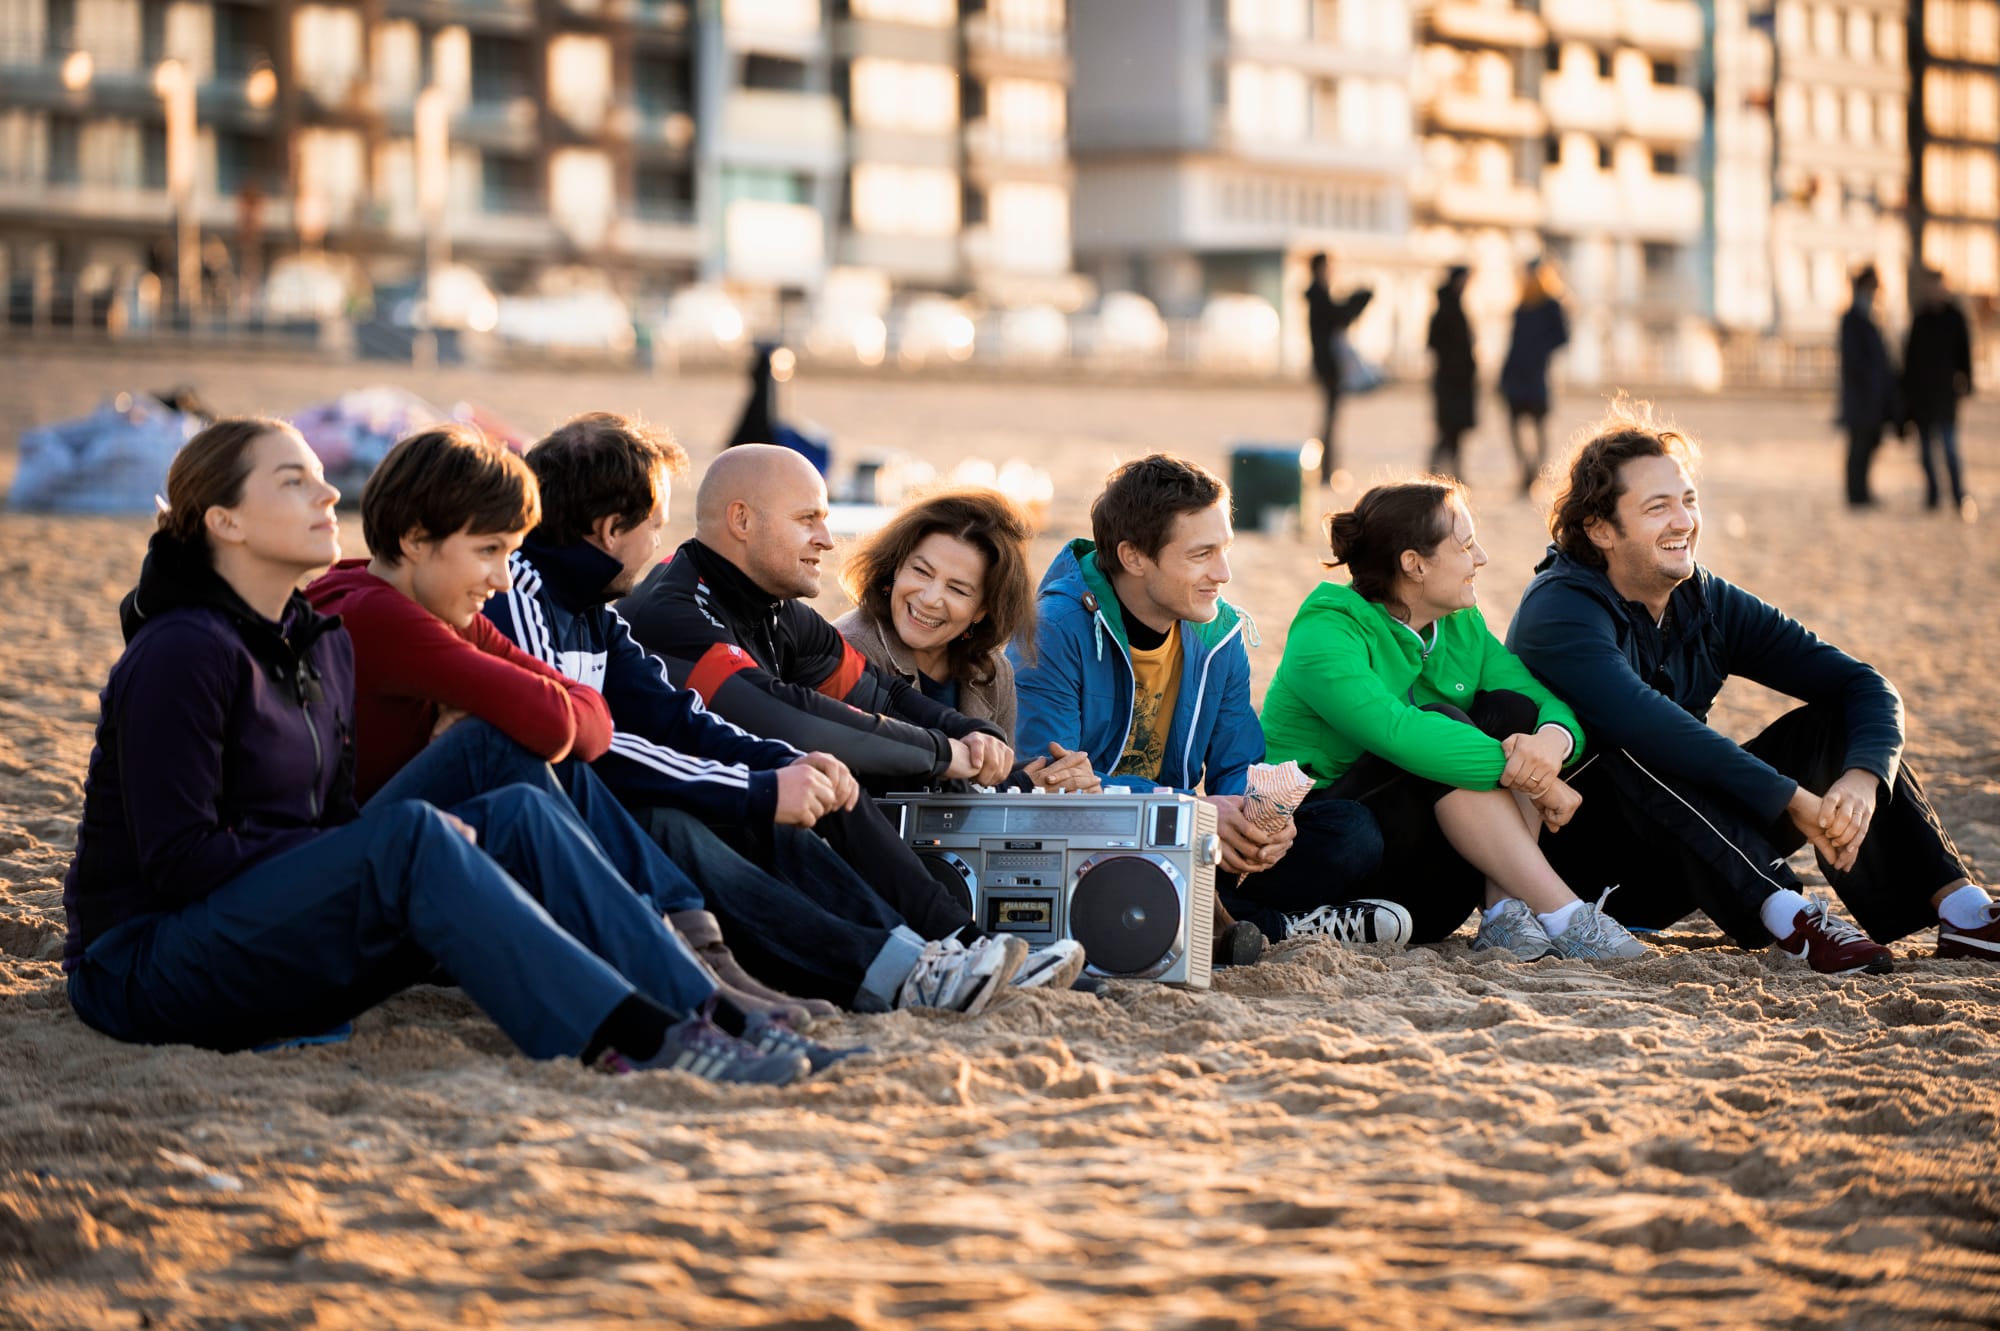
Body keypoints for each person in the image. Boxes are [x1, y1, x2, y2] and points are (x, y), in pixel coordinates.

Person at [61, 418, 809, 1084]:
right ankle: (635, 1039)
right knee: (420, 830)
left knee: (515, 810)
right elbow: (179, 861)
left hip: (265, 930)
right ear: (224, 521)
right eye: (294, 481)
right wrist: (379, 846)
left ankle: (708, 1013)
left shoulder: (314, 641)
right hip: (147, 970)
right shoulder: (183, 651)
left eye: (321, 477)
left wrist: (369, 848)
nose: (329, 494)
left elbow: (330, 814)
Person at [309, 425, 1005, 1028]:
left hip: (482, 832)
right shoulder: (532, 599)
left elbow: (668, 718)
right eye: (654, 525)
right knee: (676, 817)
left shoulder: (601, 610)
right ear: (613, 530)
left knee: (786, 784)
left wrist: (780, 768)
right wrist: (764, 784)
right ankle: (772, 972)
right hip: (431, 863)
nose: (498, 570)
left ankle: (924, 955)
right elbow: (571, 738)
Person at [522, 420, 1083, 994]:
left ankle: (956, 947)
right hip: (630, 818)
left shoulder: (773, 610)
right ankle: (914, 967)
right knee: (778, 784)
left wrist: (974, 736)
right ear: (742, 521)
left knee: (817, 776)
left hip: (692, 792)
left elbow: (881, 696)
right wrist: (945, 753)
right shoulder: (674, 612)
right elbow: (782, 714)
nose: (827, 539)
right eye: (807, 519)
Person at [1507, 404, 1997, 972]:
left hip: (1690, 850)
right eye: (1657, 507)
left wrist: (1864, 779)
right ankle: (1790, 916)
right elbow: (1650, 725)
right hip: (1584, 873)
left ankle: (1963, 913)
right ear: (1599, 529)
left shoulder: (1703, 600)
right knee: (1633, 741)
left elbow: (1864, 684)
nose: (1683, 521)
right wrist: (1794, 800)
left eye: (1688, 500)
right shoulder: (1559, 610)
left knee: (1835, 724)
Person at [1010, 453, 1391, 949]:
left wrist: (1259, 822)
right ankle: (1270, 926)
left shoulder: (1219, 633)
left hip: (1187, 839)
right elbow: (1049, 786)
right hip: (1093, 841)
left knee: (1351, 833)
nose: (1223, 573)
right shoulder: (1053, 630)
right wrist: (1191, 812)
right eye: (1201, 554)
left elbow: (1239, 763)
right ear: (1133, 557)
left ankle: (1219, 918)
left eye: (1224, 549)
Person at [1257, 480, 1646, 960]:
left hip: (1431, 899)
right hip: (1329, 857)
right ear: (1414, 563)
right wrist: (1540, 783)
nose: (1480, 557)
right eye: (1465, 546)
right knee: (1436, 725)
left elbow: (1539, 701)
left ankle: (1504, 912)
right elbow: (1399, 734)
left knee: (1515, 714)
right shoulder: (1327, 630)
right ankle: (1567, 916)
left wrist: (1553, 742)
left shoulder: (1461, 624)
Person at [833, 487, 1098, 792]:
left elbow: (994, 784)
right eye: (921, 571)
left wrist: (1058, 780)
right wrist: (1023, 787)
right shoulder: (850, 647)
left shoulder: (995, 673)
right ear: (895, 568)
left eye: (957, 589)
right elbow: (876, 789)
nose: (930, 598)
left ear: (983, 610)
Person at [1902, 266, 1975, 519]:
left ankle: (1957, 494)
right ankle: (1933, 494)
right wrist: (1906, 392)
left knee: (1950, 448)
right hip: (1922, 398)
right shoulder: (1921, 319)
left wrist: (1967, 384)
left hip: (1945, 396)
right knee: (1925, 452)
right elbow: (1910, 359)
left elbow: (1965, 354)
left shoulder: (1955, 318)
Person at [1498, 258, 1569, 496]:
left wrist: (1539, 350)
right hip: (1515, 375)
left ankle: (1537, 471)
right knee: (1514, 426)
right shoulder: (1521, 306)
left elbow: (1562, 337)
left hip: (1537, 375)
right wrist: (1503, 374)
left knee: (1539, 426)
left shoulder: (1551, 306)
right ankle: (1525, 469)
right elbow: (1513, 344)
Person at [1304, 252, 1373, 487]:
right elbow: (1340, 316)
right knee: (1330, 420)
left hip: (1329, 366)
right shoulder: (1319, 296)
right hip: (1329, 366)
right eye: (1328, 267)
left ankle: (1327, 468)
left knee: (1331, 418)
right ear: (1319, 268)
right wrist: (1360, 299)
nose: (1331, 271)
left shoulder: (1319, 295)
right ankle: (1325, 469)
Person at [1838, 265, 1900, 509]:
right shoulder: (1853, 320)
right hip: (1860, 399)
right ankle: (1856, 494)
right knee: (1859, 448)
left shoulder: (1872, 318)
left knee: (1869, 445)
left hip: (1873, 399)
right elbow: (1857, 362)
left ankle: (1862, 491)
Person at [1427, 265, 1477, 478]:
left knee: (1453, 432)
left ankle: (1449, 472)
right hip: (1451, 382)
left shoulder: (1454, 306)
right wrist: (1456, 364)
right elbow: (1433, 344)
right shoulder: (1446, 310)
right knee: (1448, 431)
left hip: (1458, 381)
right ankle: (1436, 471)